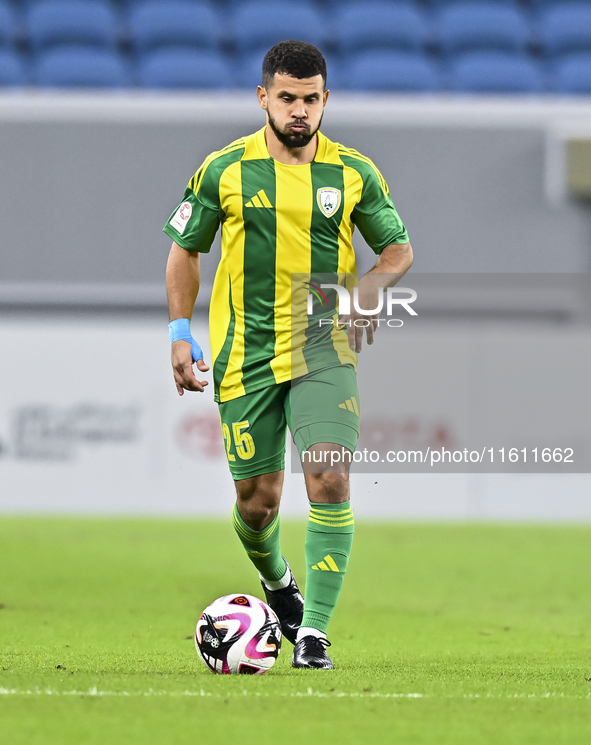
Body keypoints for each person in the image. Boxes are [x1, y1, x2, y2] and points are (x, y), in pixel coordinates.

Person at [164, 40, 413, 669]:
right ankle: (279, 586)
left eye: (310, 99)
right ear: (263, 98)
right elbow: (185, 249)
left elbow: (397, 249)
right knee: (258, 501)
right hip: (243, 352)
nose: (299, 111)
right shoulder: (223, 168)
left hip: (323, 345)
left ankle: (314, 634)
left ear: (326, 99)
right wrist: (178, 331)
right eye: (287, 98)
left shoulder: (354, 172)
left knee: (328, 475)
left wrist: (368, 292)